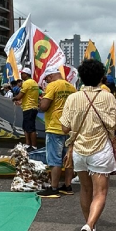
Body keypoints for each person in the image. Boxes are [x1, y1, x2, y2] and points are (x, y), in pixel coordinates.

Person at [61, 59, 116, 231]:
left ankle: (90, 227)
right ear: (101, 77)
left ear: (81, 77)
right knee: (100, 193)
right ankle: (89, 225)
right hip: (100, 151)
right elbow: (115, 124)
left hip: (79, 151)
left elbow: (64, 128)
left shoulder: (73, 98)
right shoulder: (108, 97)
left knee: (85, 191)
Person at [37, 67, 77, 198]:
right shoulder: (71, 87)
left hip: (55, 126)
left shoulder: (53, 86)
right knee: (68, 159)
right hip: (69, 127)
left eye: (46, 78)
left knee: (55, 159)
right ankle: (67, 185)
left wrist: (40, 102)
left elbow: (44, 107)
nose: (47, 81)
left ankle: (54, 188)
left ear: (50, 76)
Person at [13, 67, 39, 149]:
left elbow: (20, 96)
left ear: (26, 74)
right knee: (26, 127)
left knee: (30, 128)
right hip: (32, 107)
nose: (21, 75)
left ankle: (34, 146)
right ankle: (28, 144)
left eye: (22, 73)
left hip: (29, 108)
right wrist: (21, 102)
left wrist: (14, 98)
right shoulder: (34, 83)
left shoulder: (26, 83)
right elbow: (30, 97)